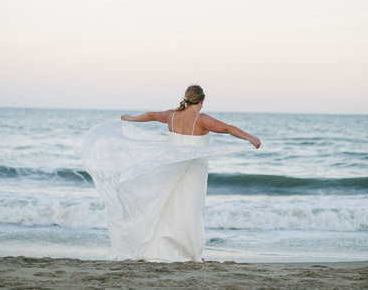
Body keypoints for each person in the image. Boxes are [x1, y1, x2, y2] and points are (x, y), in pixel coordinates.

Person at [82, 85, 261, 262]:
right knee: (190, 209)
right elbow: (228, 128)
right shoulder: (202, 119)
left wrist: (132, 118)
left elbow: (152, 115)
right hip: (194, 170)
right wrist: (249, 137)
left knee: (171, 207)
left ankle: (163, 247)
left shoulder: (172, 115)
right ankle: (188, 252)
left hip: (171, 166)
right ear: (202, 100)